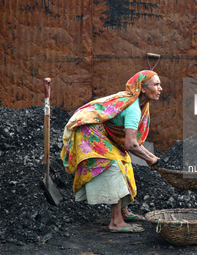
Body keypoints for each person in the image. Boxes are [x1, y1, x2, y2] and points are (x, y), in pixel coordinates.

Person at [61, 70, 162, 233]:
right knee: (113, 166)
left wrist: (154, 158)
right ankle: (116, 222)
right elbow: (130, 145)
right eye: (156, 84)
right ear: (142, 89)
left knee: (125, 162)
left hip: (103, 132)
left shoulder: (140, 105)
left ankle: (124, 211)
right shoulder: (133, 109)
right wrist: (151, 160)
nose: (160, 88)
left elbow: (135, 143)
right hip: (88, 131)